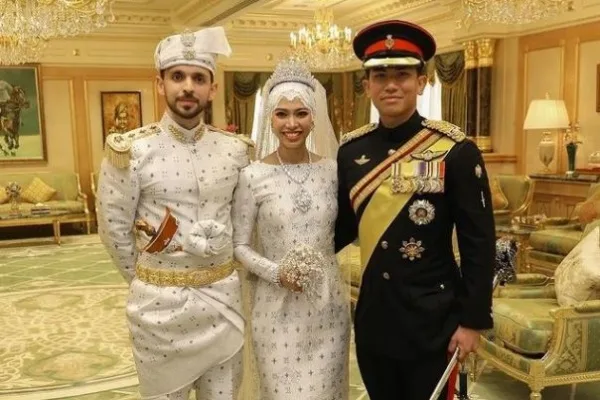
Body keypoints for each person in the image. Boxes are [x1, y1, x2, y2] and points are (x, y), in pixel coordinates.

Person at [334, 20, 496, 400]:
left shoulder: (455, 150)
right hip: (375, 318)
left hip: (433, 319)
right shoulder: (351, 152)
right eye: (380, 76)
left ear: (421, 82)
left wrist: (472, 321)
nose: (391, 85)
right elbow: (339, 228)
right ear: (366, 86)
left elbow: (478, 241)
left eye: (402, 75)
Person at [96, 26, 254, 400]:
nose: (187, 87)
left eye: (199, 78)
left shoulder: (235, 150)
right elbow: (113, 227)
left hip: (222, 303)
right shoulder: (133, 149)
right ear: (160, 84)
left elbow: (242, 222)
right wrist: (150, 279)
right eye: (177, 76)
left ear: (212, 88)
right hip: (158, 311)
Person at [231, 59, 350, 400]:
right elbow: (239, 246)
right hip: (274, 309)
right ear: (270, 119)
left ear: (314, 117)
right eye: (282, 114)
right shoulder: (252, 176)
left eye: (301, 113)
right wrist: (276, 272)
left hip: (327, 308)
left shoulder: (333, 171)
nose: (292, 123)